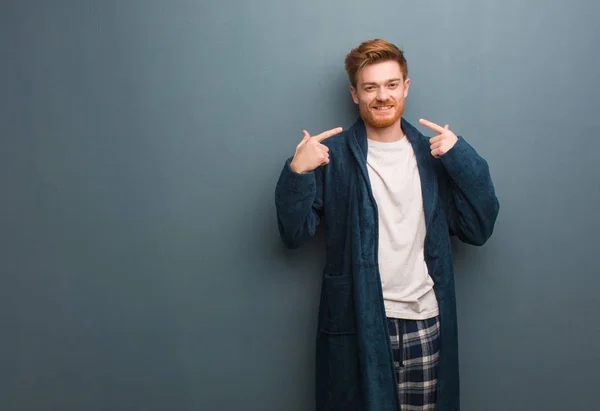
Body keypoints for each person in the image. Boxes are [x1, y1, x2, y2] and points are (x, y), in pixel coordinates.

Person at [274, 39, 499, 411]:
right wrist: (298, 171)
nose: (382, 96)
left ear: (406, 87)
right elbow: (294, 234)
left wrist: (462, 158)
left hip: (423, 320)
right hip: (357, 321)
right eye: (370, 87)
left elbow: (478, 228)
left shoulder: (435, 156)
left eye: (392, 84)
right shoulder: (334, 157)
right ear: (355, 94)